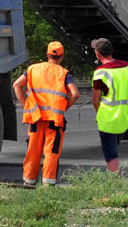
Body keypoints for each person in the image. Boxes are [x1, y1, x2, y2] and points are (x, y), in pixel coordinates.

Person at [12, 41, 80, 187]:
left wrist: (26, 106)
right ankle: (48, 185)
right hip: (54, 121)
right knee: (51, 152)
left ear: (47, 54)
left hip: (35, 118)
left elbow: (16, 85)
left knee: (33, 151)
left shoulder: (32, 69)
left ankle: (29, 182)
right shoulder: (64, 73)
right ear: (61, 56)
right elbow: (74, 94)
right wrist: (63, 108)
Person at [90, 38, 128, 174]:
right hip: (125, 116)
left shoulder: (100, 73)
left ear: (97, 54)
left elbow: (95, 100)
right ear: (111, 51)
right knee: (114, 147)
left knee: (110, 153)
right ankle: (114, 175)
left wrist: (100, 113)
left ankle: (114, 181)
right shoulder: (126, 66)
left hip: (108, 119)